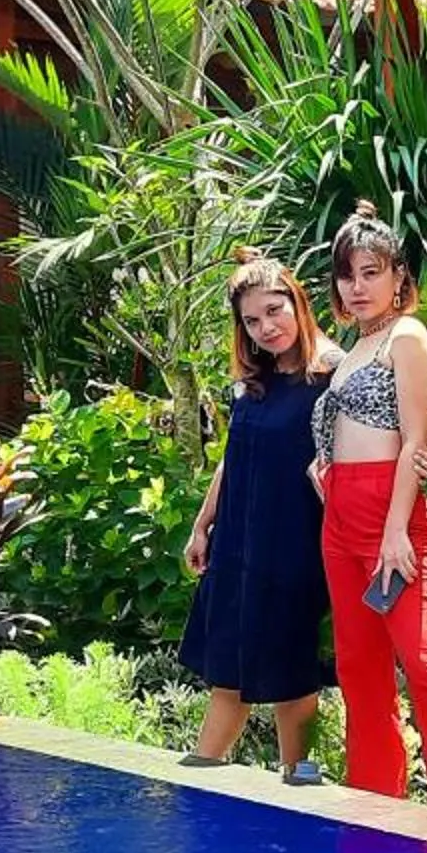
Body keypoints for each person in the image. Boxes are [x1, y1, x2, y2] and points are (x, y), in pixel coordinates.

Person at [310, 203, 427, 816]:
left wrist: (397, 529)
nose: (357, 286)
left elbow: (416, 443)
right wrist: (324, 468)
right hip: (339, 517)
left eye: (371, 272)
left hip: (389, 518)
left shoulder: (408, 337)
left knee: (423, 661)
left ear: (399, 277)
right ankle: (375, 801)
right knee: (358, 667)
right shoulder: (356, 344)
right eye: (347, 275)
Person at [179, 252, 339, 783]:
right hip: (237, 547)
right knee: (228, 674)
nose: (266, 327)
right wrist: (204, 523)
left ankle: (303, 785)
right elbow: (233, 455)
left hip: (292, 551)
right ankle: (197, 790)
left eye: (275, 310)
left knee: (292, 683)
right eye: (252, 320)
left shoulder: (331, 374)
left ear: (298, 302)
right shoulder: (254, 382)